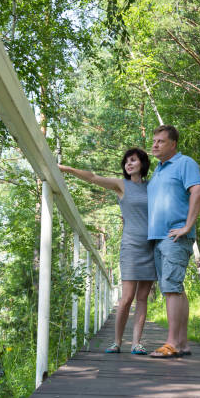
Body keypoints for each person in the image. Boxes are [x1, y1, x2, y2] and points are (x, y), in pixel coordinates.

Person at [58, 148, 156, 355]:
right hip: (131, 246)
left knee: (142, 297)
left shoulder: (152, 186)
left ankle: (137, 343)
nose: (128, 164)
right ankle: (117, 342)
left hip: (151, 246)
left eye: (133, 160)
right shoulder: (121, 185)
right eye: (126, 162)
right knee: (127, 297)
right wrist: (67, 169)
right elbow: (93, 178)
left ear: (142, 164)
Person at [147, 125, 200, 358]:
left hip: (174, 236)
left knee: (171, 289)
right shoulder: (158, 171)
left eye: (161, 141)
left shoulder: (184, 163)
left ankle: (171, 344)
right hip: (158, 238)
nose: (155, 145)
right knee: (174, 289)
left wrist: (188, 226)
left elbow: (198, 192)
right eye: (154, 141)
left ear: (173, 144)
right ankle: (182, 343)